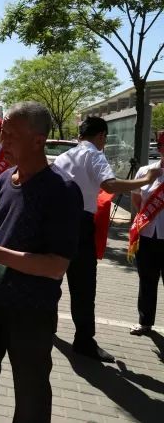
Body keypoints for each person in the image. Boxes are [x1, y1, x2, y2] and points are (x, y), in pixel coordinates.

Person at [0, 102, 84, 423]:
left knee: (31, 392)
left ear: (38, 140)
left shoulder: (62, 191)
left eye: (11, 134)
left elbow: (55, 266)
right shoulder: (1, 183)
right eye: (2, 133)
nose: (2, 141)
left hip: (31, 311)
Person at [54, 116, 160, 362]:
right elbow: (110, 185)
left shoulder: (64, 156)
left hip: (59, 223)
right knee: (83, 286)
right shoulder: (94, 155)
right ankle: (83, 341)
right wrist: (145, 179)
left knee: (54, 278)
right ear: (101, 136)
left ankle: (47, 327)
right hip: (81, 225)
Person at [129, 131, 164, 336]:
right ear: (159, 148)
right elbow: (137, 198)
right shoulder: (145, 171)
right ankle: (145, 322)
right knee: (147, 280)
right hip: (148, 234)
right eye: (161, 146)